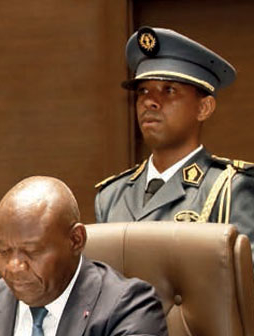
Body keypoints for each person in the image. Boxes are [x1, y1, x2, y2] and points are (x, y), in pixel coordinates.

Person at [0, 177, 170, 336]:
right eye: (4, 251)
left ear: (76, 240)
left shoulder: (129, 306)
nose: (14, 266)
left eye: (31, 251)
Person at [95, 27, 254, 253]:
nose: (150, 102)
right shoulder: (111, 195)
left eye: (168, 90)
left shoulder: (230, 188)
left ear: (204, 107)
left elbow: (245, 283)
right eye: (143, 91)